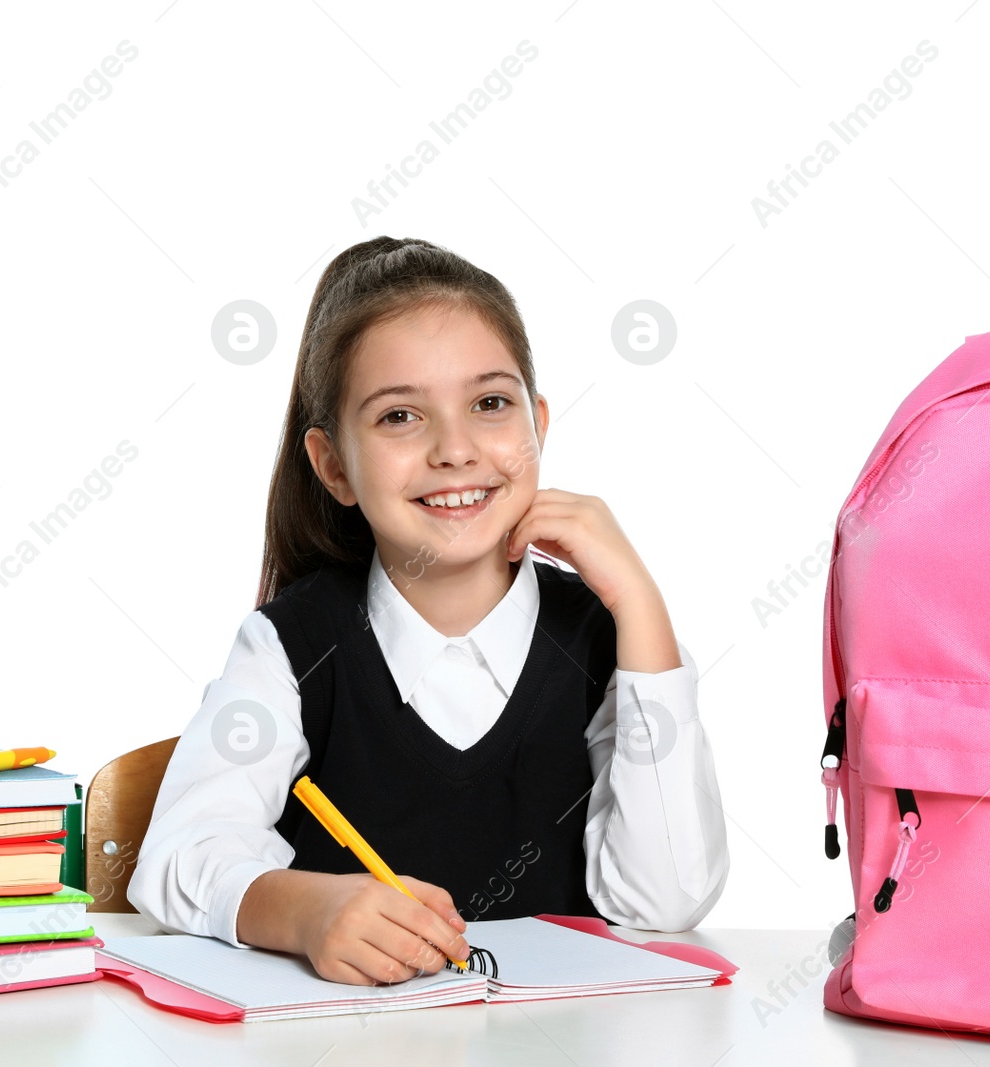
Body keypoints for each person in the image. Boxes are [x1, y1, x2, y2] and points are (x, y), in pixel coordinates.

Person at [127, 236, 729, 986]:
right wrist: (305, 911)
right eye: (401, 417)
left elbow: (666, 900)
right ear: (334, 466)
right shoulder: (291, 645)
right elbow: (178, 855)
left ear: (537, 423)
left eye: (489, 403)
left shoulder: (608, 642)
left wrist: (641, 607)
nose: (455, 448)